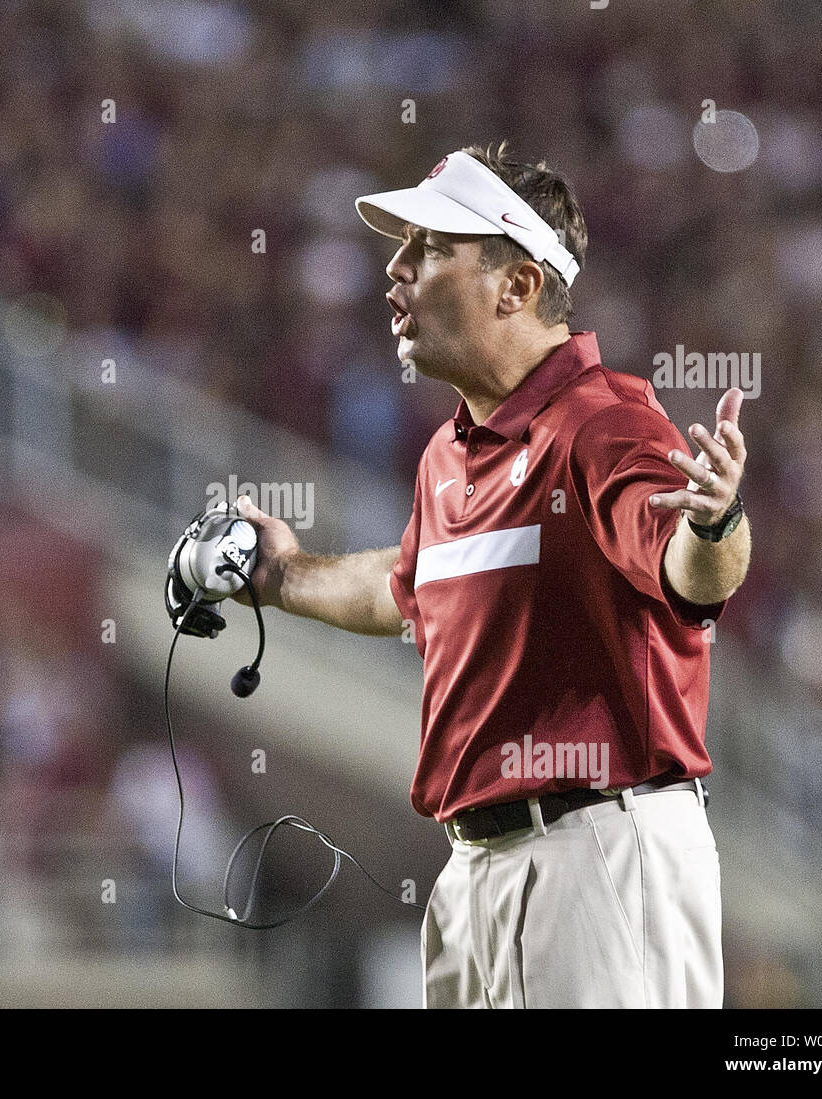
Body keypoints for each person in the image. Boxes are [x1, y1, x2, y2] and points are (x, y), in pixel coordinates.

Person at [234, 142, 751, 1008]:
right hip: (478, 867)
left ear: (517, 286)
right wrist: (281, 573)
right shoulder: (449, 452)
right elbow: (404, 590)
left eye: (430, 247)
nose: (395, 270)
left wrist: (717, 519)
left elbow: (692, 576)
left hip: (597, 853)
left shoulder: (606, 422)